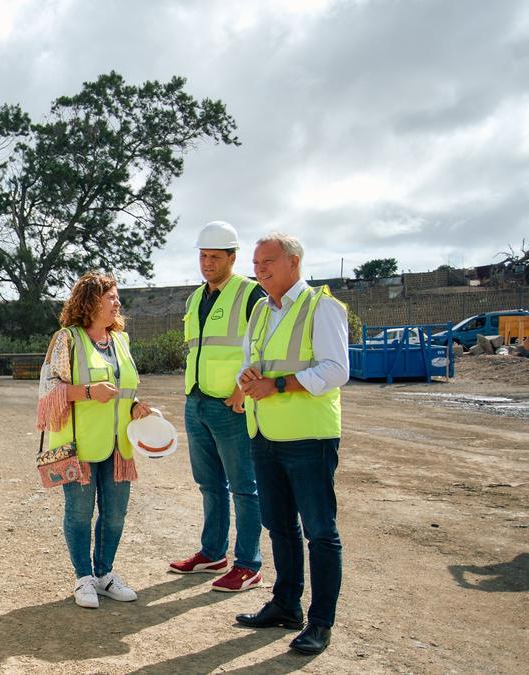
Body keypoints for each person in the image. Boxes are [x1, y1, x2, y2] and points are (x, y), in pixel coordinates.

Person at [234, 233, 349, 655]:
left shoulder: (323, 307)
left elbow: (336, 370)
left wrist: (278, 384)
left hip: (308, 438)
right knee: (279, 525)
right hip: (264, 435)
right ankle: (286, 604)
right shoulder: (261, 311)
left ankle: (320, 623)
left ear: (294, 263)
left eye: (268, 262)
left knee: (320, 531)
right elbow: (251, 363)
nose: (260, 270)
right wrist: (246, 377)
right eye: (256, 263)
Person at [36, 272, 156, 609]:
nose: (117, 302)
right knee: (79, 513)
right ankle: (83, 578)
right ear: (90, 302)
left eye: (117, 297)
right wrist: (89, 392)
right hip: (80, 445)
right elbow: (48, 389)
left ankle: (104, 575)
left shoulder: (121, 340)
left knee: (115, 514)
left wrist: (135, 407)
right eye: (111, 297)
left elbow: (125, 389)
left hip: (120, 445)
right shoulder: (66, 339)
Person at [169, 221, 268, 592]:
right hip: (196, 402)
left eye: (215, 257)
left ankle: (249, 564)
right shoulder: (196, 298)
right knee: (208, 483)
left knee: (244, 486)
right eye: (203, 256)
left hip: (231, 406)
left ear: (232, 257)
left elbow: (262, 346)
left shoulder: (250, 294)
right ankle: (212, 552)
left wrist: (243, 391)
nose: (207, 263)